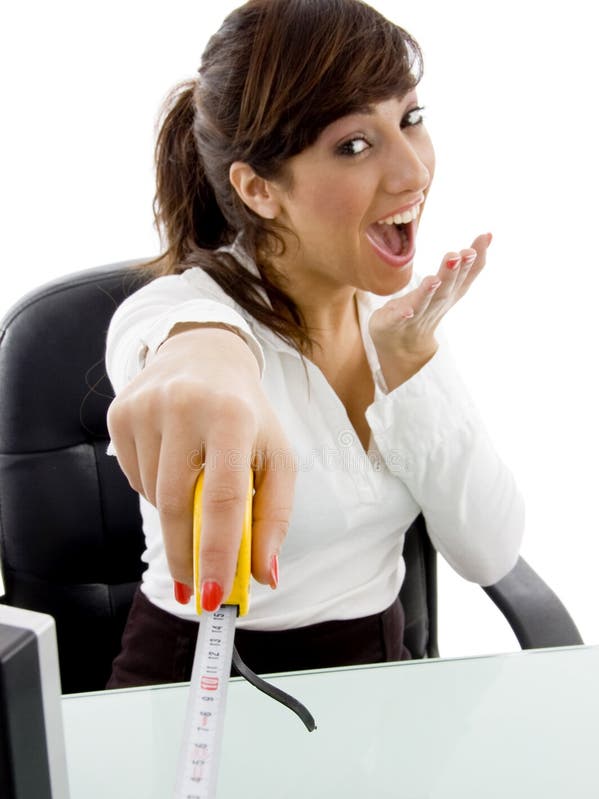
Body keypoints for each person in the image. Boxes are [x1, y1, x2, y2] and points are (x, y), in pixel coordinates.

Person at [105, 0, 524, 688]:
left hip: (374, 691)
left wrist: (414, 360)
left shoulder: (392, 324)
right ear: (258, 188)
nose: (413, 172)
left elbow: (489, 552)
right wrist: (207, 364)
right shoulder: (181, 310)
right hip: (196, 685)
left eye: (409, 119)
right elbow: (185, 349)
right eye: (353, 145)